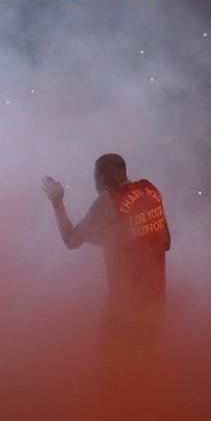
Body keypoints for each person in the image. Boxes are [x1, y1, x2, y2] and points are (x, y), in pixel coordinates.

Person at [41, 154, 170, 362]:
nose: (94, 184)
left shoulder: (108, 201)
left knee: (111, 368)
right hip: (156, 303)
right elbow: (165, 242)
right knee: (145, 368)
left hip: (125, 307)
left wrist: (57, 203)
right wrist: (118, 238)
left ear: (102, 178)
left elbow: (72, 241)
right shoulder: (149, 189)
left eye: (95, 178)